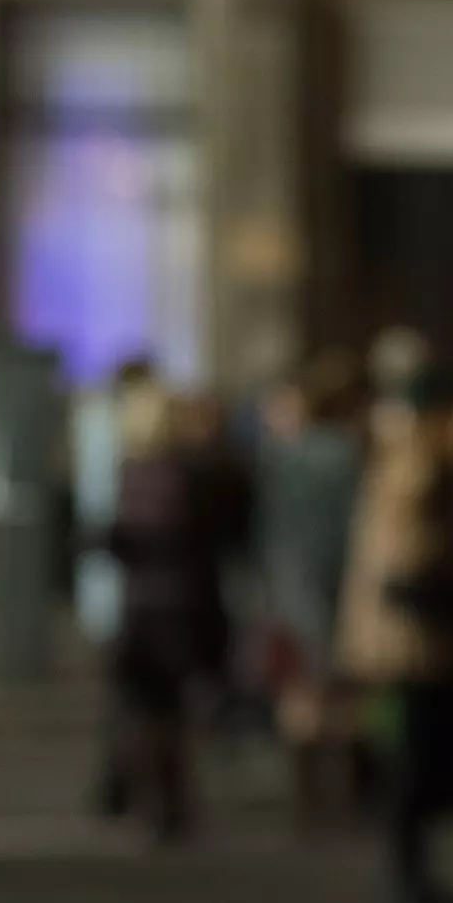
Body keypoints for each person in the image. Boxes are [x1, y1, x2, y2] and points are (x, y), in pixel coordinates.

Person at [337, 337, 453, 903]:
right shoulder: (417, 459)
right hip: (411, 634)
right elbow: (410, 552)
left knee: (412, 752)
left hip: (396, 631)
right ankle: (409, 879)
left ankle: (411, 873)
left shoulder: (391, 451)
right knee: (416, 755)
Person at [103, 384, 229, 842]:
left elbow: (119, 539)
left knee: (147, 710)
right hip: (180, 605)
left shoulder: (130, 474)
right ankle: (171, 801)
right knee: (171, 712)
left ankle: (150, 800)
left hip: (142, 605)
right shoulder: (188, 475)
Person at [256, 351, 364, 827]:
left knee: (301, 688)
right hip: (339, 581)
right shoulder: (347, 455)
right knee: (337, 691)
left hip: (290, 581)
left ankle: (308, 796)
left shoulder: (283, 457)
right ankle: (339, 792)